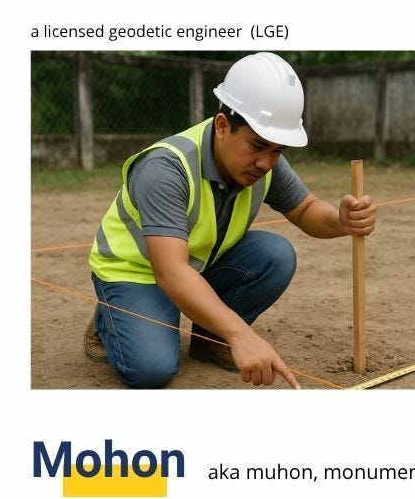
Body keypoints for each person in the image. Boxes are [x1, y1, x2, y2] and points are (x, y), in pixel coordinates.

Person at [83, 52, 376, 389]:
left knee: (275, 255)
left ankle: (211, 340)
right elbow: (170, 271)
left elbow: (306, 209)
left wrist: (341, 221)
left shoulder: (265, 161)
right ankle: (109, 319)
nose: (266, 162)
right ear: (222, 126)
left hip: (192, 266)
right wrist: (241, 334)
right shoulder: (165, 169)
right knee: (152, 370)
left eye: (278, 150)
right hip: (136, 273)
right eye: (258, 146)